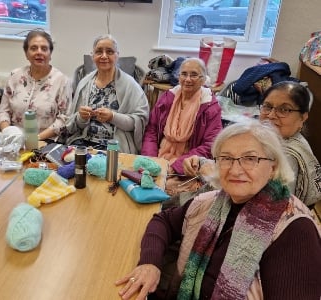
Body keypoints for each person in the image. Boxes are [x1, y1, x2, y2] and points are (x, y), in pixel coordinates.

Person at [116, 119, 321, 300]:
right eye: (226, 158)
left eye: (250, 158)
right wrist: (150, 263)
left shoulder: (295, 231)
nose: (235, 169)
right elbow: (163, 221)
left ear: (273, 167)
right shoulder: (210, 203)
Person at [184, 81, 321, 207]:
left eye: (284, 110)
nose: (272, 115)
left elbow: (258, 205)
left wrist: (212, 174)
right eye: (267, 107)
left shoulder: (287, 156)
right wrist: (202, 162)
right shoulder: (272, 140)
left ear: (303, 117)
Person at [66, 34, 149, 153]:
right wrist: (81, 117)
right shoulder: (84, 84)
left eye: (109, 52)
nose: (104, 56)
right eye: (99, 51)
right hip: (84, 142)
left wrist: (113, 117)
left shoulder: (131, 85)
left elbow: (139, 121)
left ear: (117, 55)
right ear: (92, 56)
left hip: (115, 147)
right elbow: (74, 125)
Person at [141, 57, 222, 174]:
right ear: (178, 77)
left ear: (203, 80)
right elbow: (151, 131)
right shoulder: (167, 98)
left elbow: (211, 144)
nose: (187, 79)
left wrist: (176, 166)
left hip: (188, 165)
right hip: (158, 158)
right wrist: (151, 160)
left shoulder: (210, 107)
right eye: (184, 74)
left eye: (194, 75)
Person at [0, 30, 71, 141]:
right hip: (12, 138)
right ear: (26, 53)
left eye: (44, 49)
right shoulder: (15, 76)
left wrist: (35, 139)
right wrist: (8, 131)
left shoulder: (61, 81)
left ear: (50, 54)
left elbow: (64, 119)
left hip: (44, 140)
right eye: (33, 48)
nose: (39, 52)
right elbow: (3, 111)